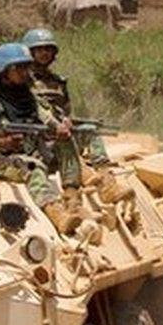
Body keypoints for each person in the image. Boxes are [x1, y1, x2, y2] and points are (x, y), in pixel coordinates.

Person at [0, 43, 83, 235]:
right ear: (4, 71)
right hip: (1, 159)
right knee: (31, 167)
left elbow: (47, 118)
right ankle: (56, 214)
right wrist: (0, 143)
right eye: (19, 68)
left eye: (27, 67)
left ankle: (72, 198)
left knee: (66, 141)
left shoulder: (29, 98)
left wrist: (58, 129)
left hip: (32, 150)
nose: (25, 72)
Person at [23, 28, 133, 204]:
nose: (44, 53)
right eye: (39, 49)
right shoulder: (22, 81)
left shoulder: (58, 82)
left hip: (61, 132)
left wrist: (67, 120)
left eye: (48, 49)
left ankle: (107, 182)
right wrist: (53, 125)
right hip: (38, 135)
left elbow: (65, 109)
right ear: (30, 52)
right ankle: (71, 194)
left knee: (90, 131)